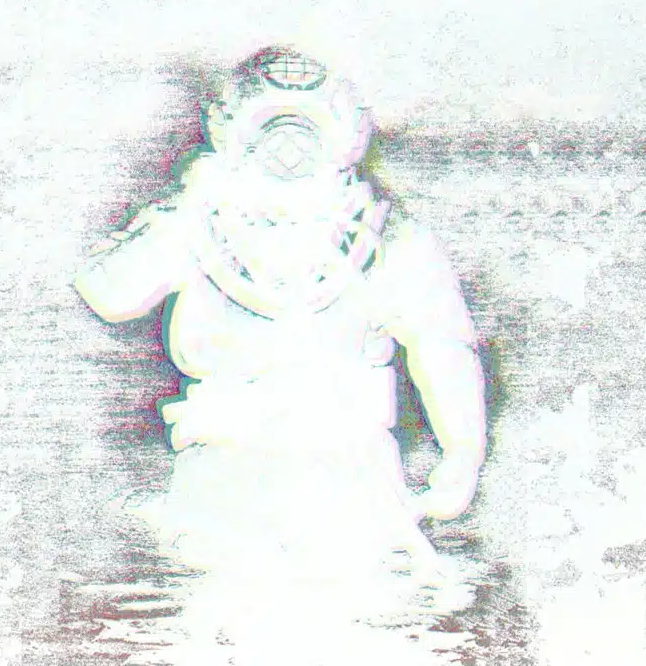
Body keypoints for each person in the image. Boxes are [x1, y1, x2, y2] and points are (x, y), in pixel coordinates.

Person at [75, 47, 486, 590]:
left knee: (360, 605)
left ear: (345, 136)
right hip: (224, 475)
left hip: (349, 476)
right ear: (232, 134)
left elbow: (442, 345)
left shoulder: (386, 237)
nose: (289, 147)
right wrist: (185, 208)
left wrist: (462, 449)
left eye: (308, 126)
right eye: (270, 124)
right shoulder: (197, 223)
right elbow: (109, 293)